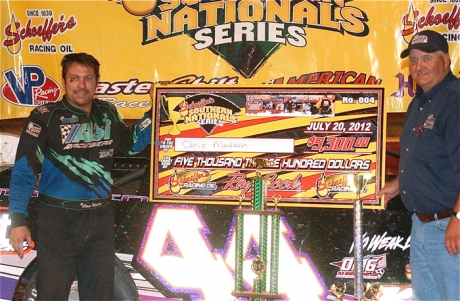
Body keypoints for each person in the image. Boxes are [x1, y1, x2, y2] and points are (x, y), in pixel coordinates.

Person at [8, 52, 152, 300]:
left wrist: (154, 113)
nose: (81, 86)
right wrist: (18, 220)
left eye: (87, 78)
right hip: (58, 220)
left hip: (100, 219)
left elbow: (132, 144)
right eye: (74, 78)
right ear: (64, 81)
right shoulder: (45, 117)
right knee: (51, 295)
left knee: (100, 295)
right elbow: (23, 171)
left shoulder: (107, 113)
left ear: (97, 81)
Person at [377, 30, 460, 301]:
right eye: (414, 60)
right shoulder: (420, 102)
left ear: (446, 61)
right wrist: (399, 185)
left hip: (448, 225)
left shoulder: (455, 101)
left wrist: (459, 219)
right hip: (422, 225)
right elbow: (430, 158)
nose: (419, 67)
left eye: (427, 58)